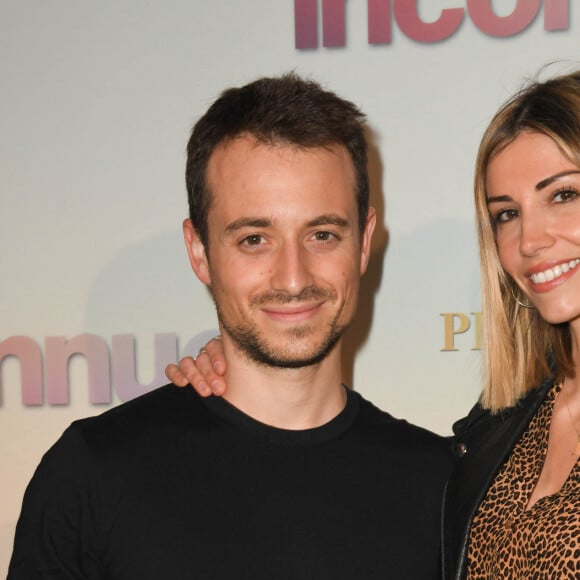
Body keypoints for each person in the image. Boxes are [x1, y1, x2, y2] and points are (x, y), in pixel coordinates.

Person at [8, 74, 452, 579]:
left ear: (364, 241)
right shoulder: (93, 473)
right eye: (254, 239)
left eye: (322, 234)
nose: (292, 277)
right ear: (199, 251)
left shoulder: (440, 486)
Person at [166, 70, 580, 579]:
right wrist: (244, 369)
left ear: (362, 241)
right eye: (506, 213)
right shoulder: (499, 432)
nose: (530, 239)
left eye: (564, 194)